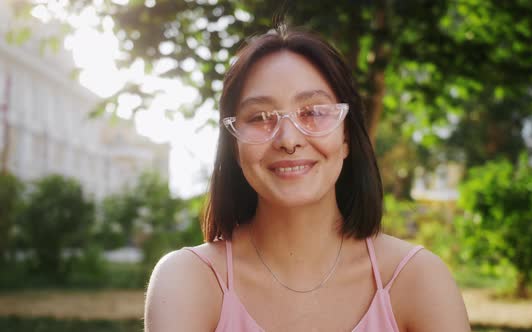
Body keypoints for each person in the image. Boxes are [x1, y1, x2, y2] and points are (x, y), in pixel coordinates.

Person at [145, 26, 471, 332]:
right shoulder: (188, 281)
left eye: (313, 112)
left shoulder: (417, 279)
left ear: (346, 137)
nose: (288, 139)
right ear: (234, 146)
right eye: (259, 117)